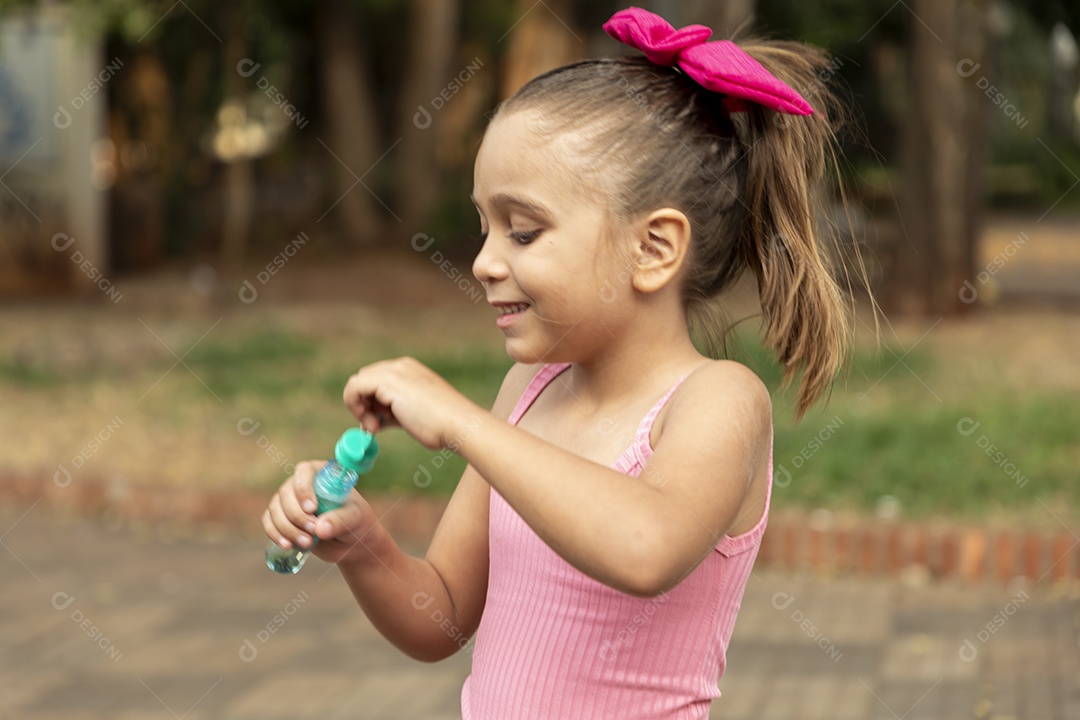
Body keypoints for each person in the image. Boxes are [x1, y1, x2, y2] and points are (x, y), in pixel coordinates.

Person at [262, 7, 858, 718]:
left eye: (523, 230)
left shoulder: (718, 400)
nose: (484, 262)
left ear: (654, 248)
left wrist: (458, 420)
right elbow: (443, 615)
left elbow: (645, 547)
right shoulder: (529, 391)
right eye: (485, 227)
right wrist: (363, 546)